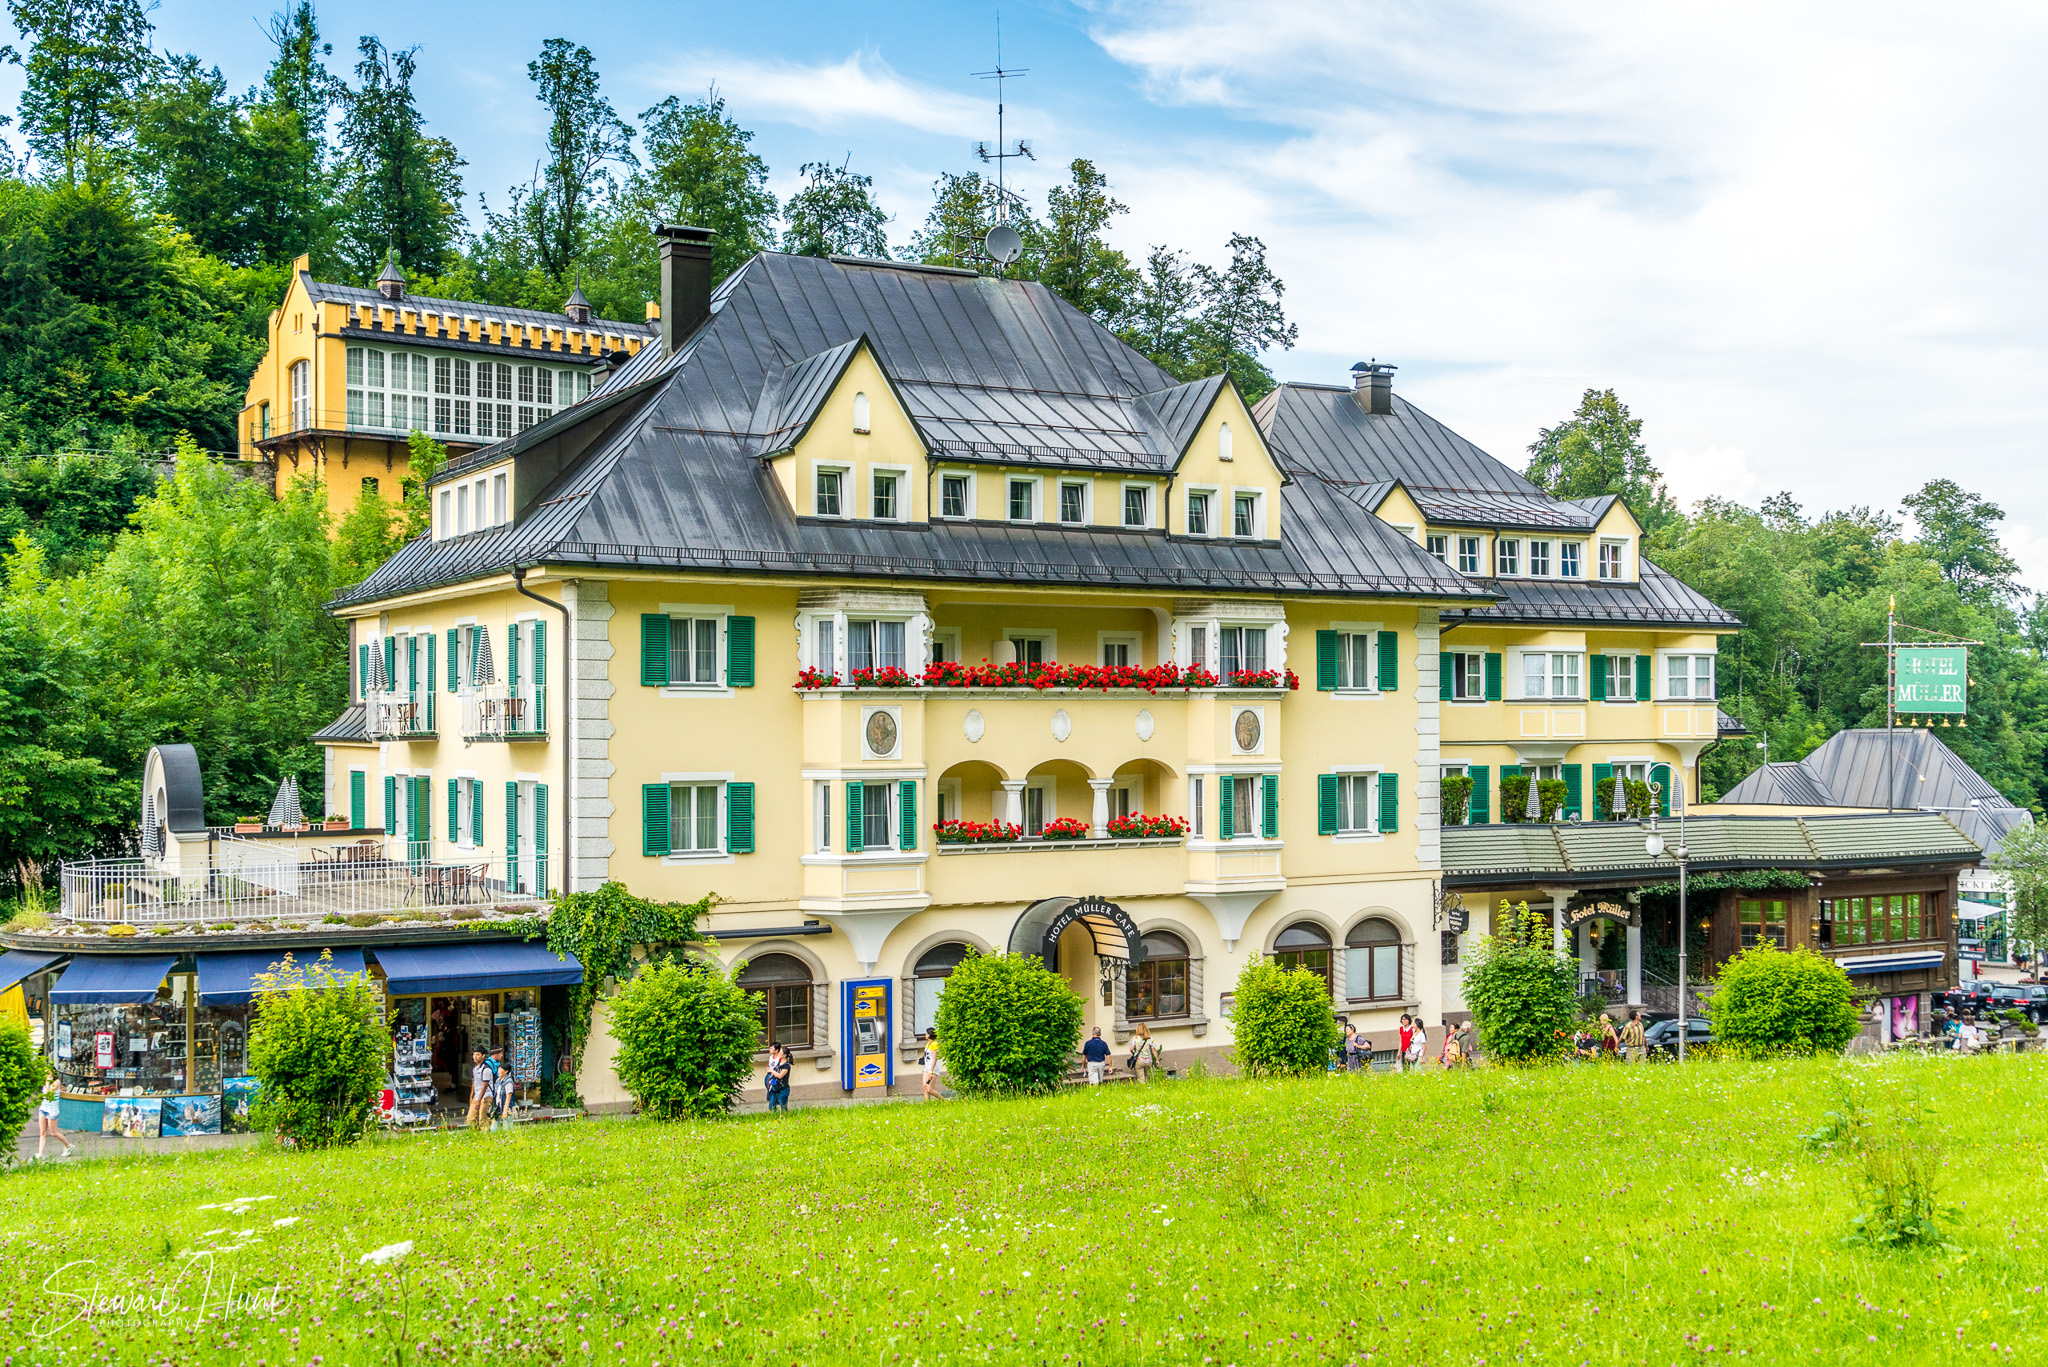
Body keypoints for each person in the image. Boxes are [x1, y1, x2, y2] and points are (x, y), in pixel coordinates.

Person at [34, 1074, 74, 1160]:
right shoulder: (47, 1082)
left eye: (48, 1073)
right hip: (44, 1108)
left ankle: (68, 1146)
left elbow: (49, 1092)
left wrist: (47, 1082)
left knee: (53, 1133)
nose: (47, 1075)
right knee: (42, 1132)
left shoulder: (57, 1082)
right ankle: (40, 1154)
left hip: (52, 1110)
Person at [465, 1046, 491, 1130]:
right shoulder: (475, 1068)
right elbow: (474, 1082)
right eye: (474, 1055)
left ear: (483, 1056)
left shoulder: (486, 1069)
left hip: (485, 1096)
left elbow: (485, 1085)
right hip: (476, 1096)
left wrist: (479, 1100)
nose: (475, 1057)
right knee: (470, 1119)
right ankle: (476, 1133)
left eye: (478, 1055)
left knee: (483, 1120)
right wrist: (471, 1096)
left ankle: (485, 1137)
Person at [489, 1046, 515, 1131]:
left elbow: (508, 1097)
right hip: (497, 1107)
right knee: (494, 1129)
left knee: (507, 1128)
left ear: (506, 1071)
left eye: (501, 1070)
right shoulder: (498, 1081)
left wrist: (505, 1110)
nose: (499, 1071)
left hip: (506, 1108)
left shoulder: (508, 1082)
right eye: (499, 1069)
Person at [765, 1042, 792, 1112]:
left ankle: (785, 1118)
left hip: (783, 1088)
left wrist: (771, 1070)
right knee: (771, 1105)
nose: (779, 1053)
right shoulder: (778, 1063)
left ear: (784, 1055)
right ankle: (774, 1117)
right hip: (775, 1086)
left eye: (780, 1052)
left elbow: (780, 1076)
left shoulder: (786, 1065)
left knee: (783, 1106)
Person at [919, 1030, 944, 1101]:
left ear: (929, 1035)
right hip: (926, 1067)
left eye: (926, 1033)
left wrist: (931, 1072)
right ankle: (928, 1104)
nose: (925, 1034)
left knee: (929, 1089)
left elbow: (935, 1059)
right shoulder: (928, 1043)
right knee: (925, 1086)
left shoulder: (935, 1044)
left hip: (932, 1068)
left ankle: (944, 1101)